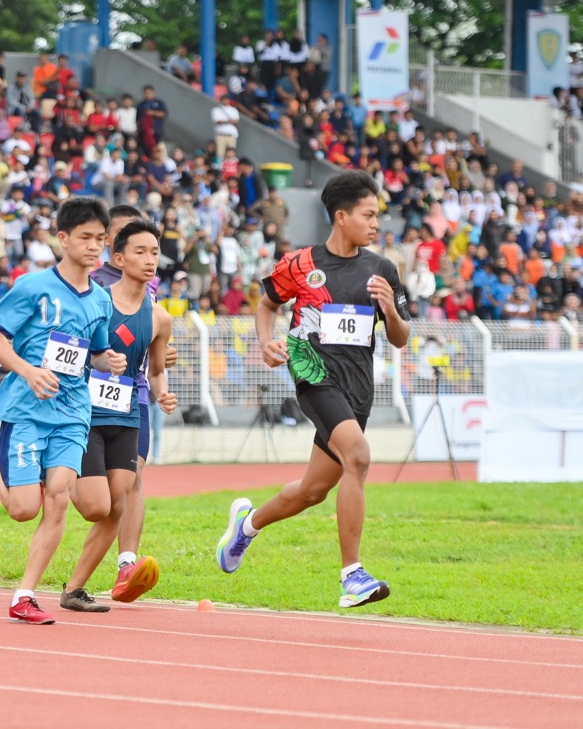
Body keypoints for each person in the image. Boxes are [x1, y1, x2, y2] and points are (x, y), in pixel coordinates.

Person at [218, 171, 410, 608]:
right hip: (313, 375)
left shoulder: (381, 270)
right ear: (342, 217)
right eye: (369, 215)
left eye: (377, 215)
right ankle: (352, 575)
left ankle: (246, 527)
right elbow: (267, 303)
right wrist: (266, 340)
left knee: (312, 490)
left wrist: (390, 311)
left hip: (358, 388)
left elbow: (400, 337)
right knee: (358, 457)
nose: (376, 224)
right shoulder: (302, 264)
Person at [0, 197, 125, 624]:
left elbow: (93, 352)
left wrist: (107, 360)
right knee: (23, 509)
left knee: (57, 498)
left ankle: (24, 595)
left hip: (73, 412)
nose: (95, 247)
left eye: (101, 239)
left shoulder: (101, 300)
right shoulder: (32, 286)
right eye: (85, 238)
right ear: (62, 238)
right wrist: (29, 370)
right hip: (27, 408)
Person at [58, 220, 178, 612]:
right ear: (118, 258)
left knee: (117, 506)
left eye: (155, 253)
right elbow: (65, 352)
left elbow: (155, 370)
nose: (149, 260)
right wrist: (97, 359)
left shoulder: (160, 318)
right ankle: (41, 463)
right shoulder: (95, 302)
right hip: (84, 412)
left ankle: (74, 590)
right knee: (95, 507)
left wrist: (162, 394)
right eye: (140, 252)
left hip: (126, 415)